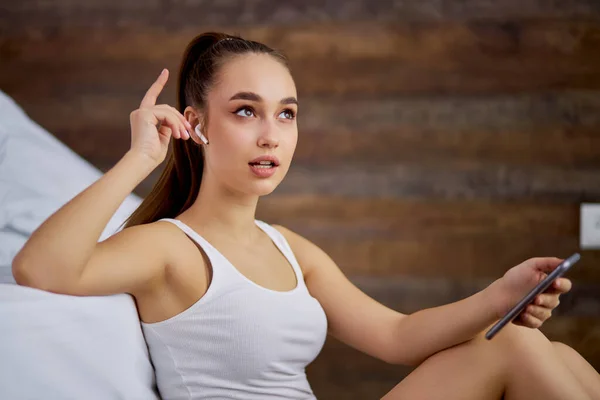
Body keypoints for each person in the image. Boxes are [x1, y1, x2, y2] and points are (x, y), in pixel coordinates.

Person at [12, 32, 600, 400]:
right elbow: (40, 268)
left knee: (553, 352)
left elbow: (397, 336)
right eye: (246, 111)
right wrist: (140, 156)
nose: (271, 135)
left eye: (286, 114)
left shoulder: (289, 247)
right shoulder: (171, 248)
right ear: (195, 124)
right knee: (519, 353)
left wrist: (501, 298)